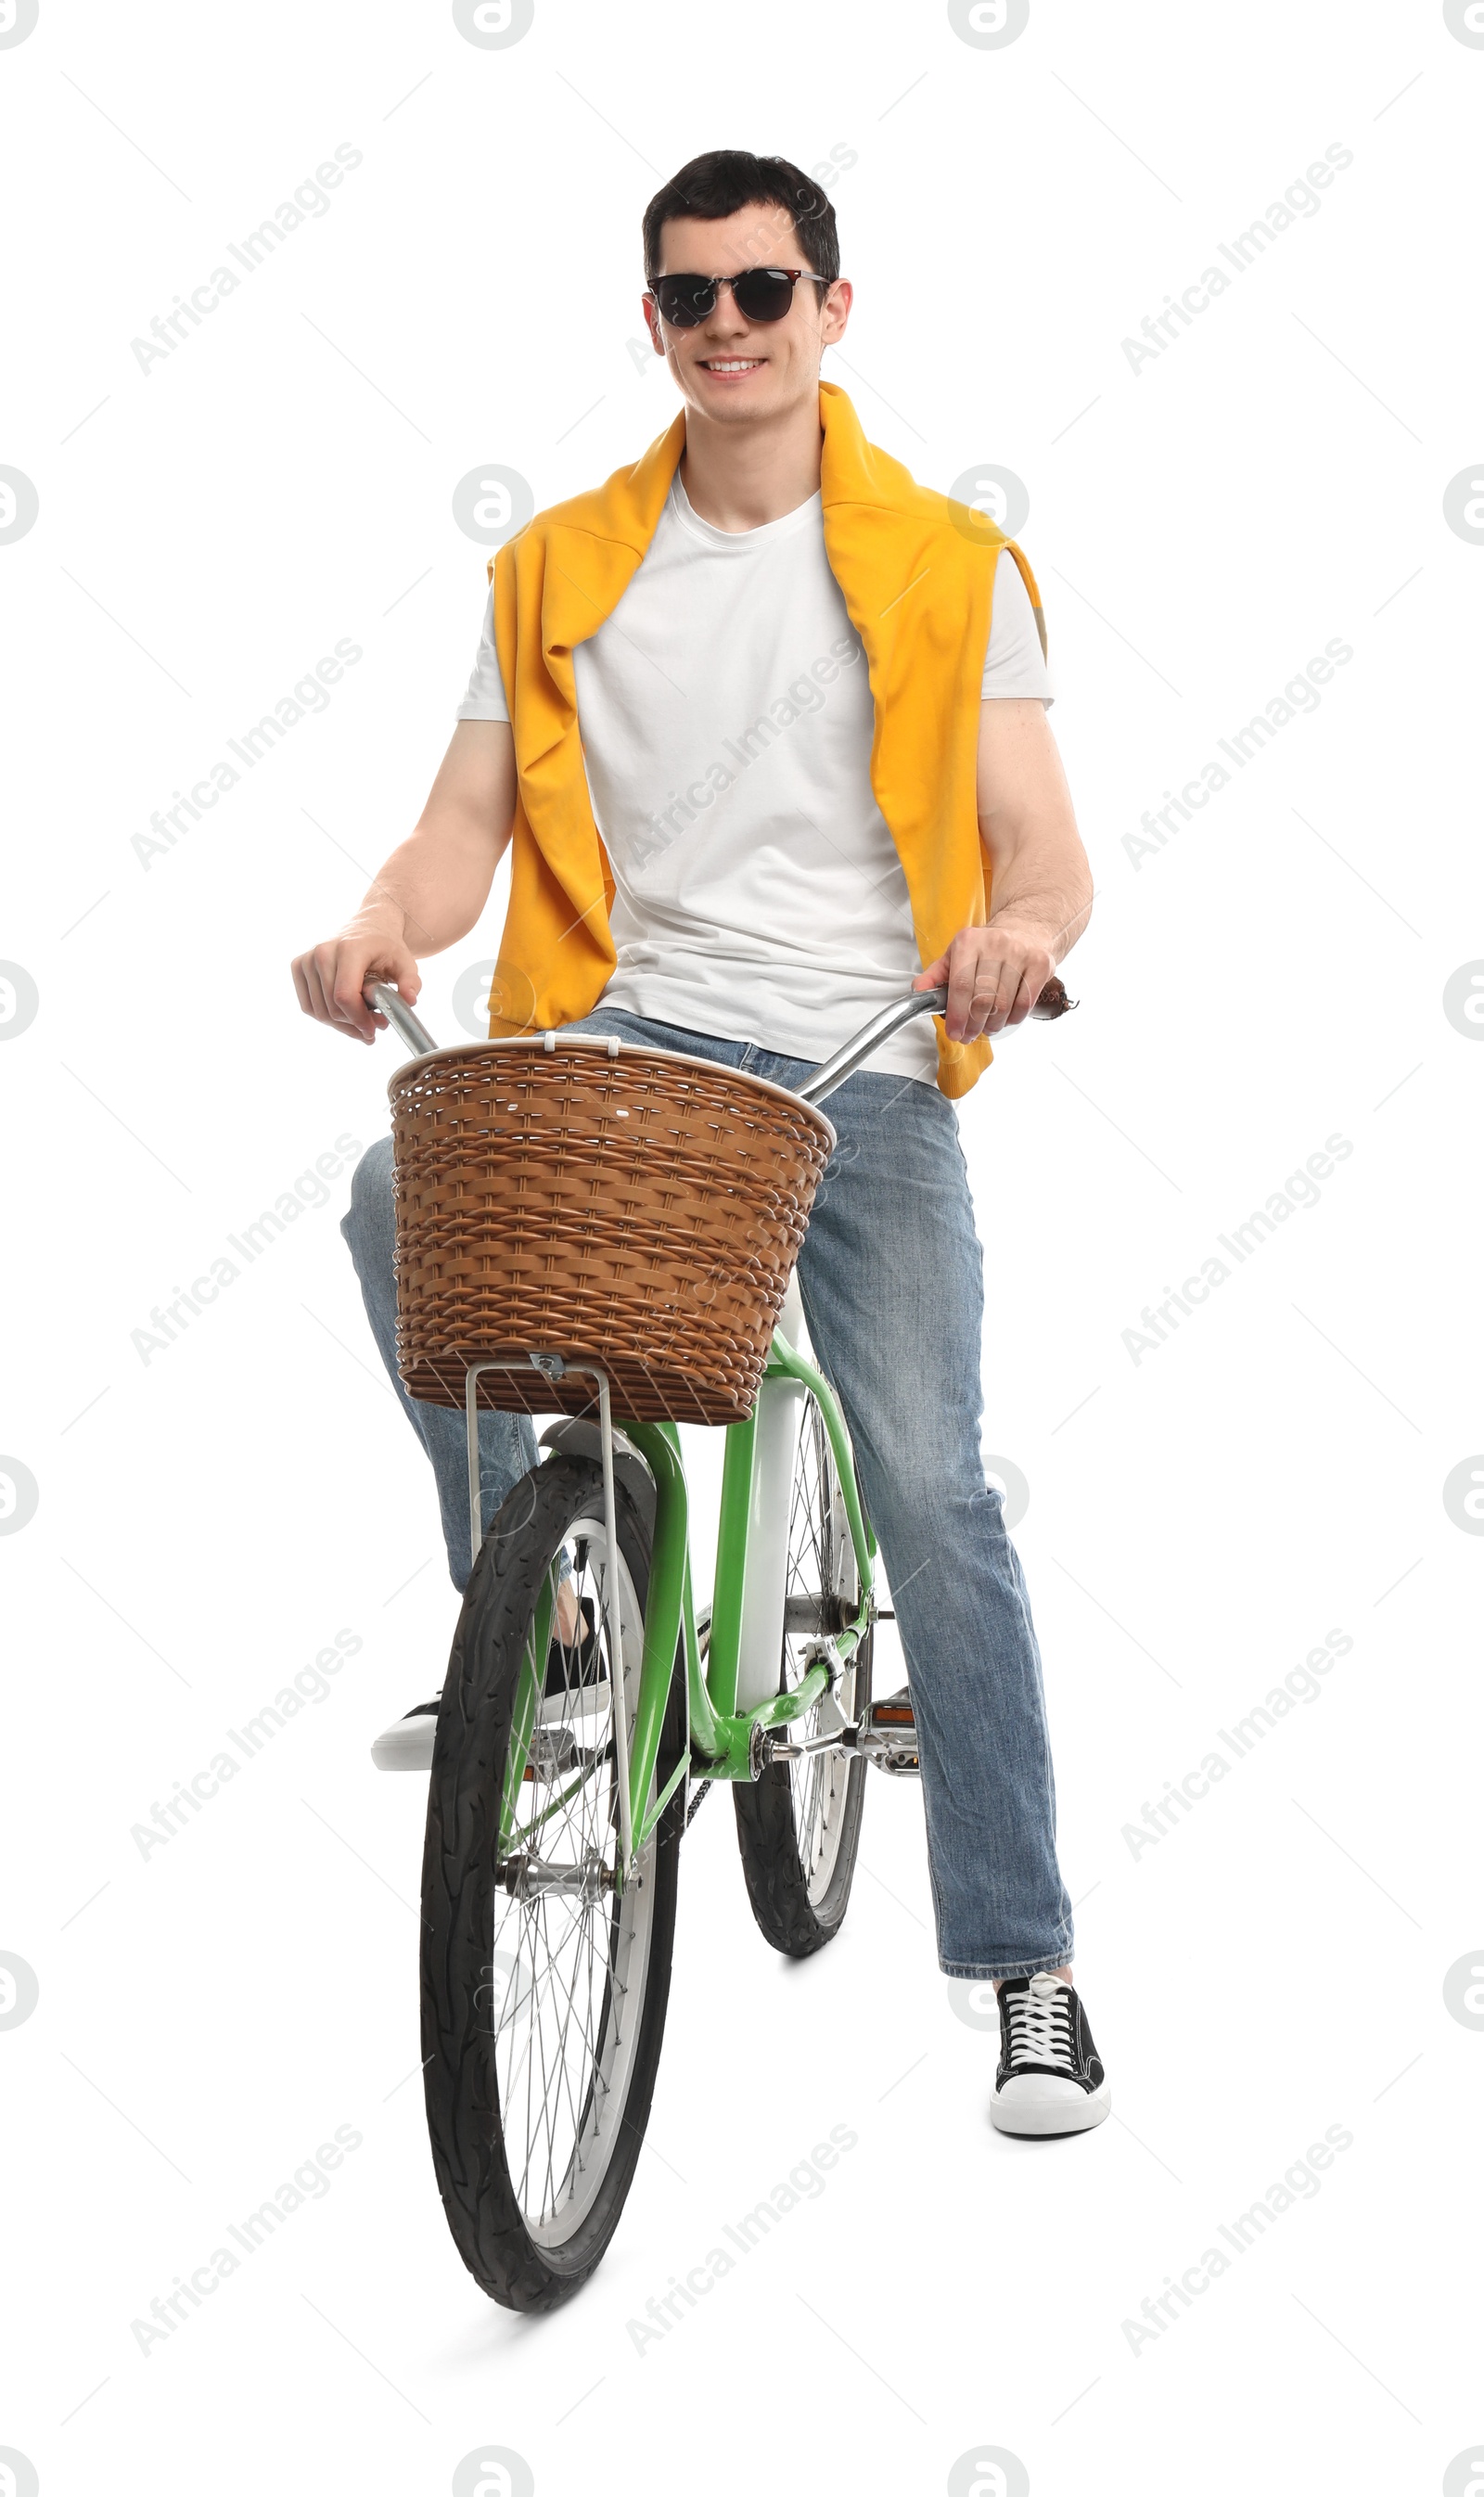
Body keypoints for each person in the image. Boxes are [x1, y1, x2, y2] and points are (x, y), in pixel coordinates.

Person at [291, 149, 1106, 2138]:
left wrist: (1013, 939)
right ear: (646, 324)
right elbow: (462, 820)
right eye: (689, 297)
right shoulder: (560, 560)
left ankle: (1025, 1964)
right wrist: (392, 916)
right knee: (399, 1191)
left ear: (835, 307)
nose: (726, 324)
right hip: (640, 1031)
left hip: (868, 1049)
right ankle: (547, 1628)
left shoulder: (945, 565)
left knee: (927, 1484)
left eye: (762, 288)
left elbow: (1042, 847)